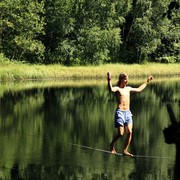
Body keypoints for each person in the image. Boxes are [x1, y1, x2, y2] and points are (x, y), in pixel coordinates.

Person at [107, 72, 153, 156]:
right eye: (125, 79)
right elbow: (111, 89)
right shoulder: (118, 89)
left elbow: (139, 89)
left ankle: (125, 150)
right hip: (120, 112)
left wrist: (147, 81)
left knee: (130, 132)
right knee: (121, 133)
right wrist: (109, 80)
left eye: (127, 79)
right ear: (121, 80)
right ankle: (112, 144)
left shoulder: (128, 88)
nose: (126, 81)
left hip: (128, 113)